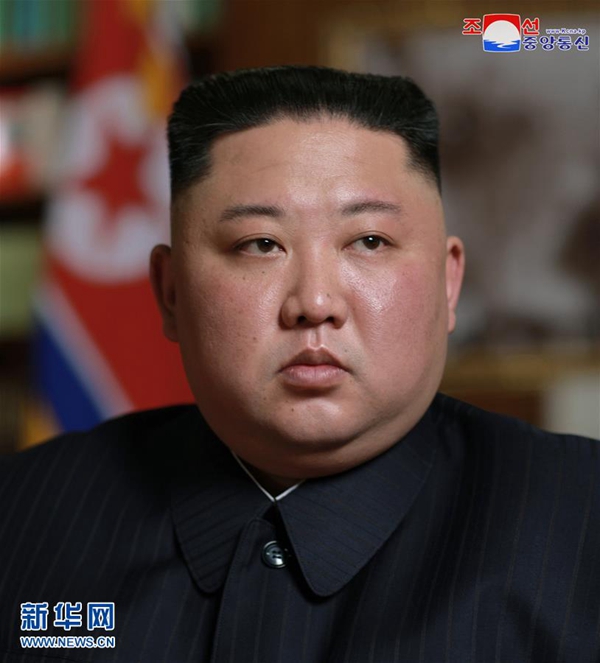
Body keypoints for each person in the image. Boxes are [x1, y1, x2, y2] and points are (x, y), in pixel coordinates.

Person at [0, 65, 598, 663]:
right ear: (171, 293)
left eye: (369, 241)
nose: (314, 302)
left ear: (448, 282)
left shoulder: (583, 519)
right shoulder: (21, 516)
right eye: (260, 244)